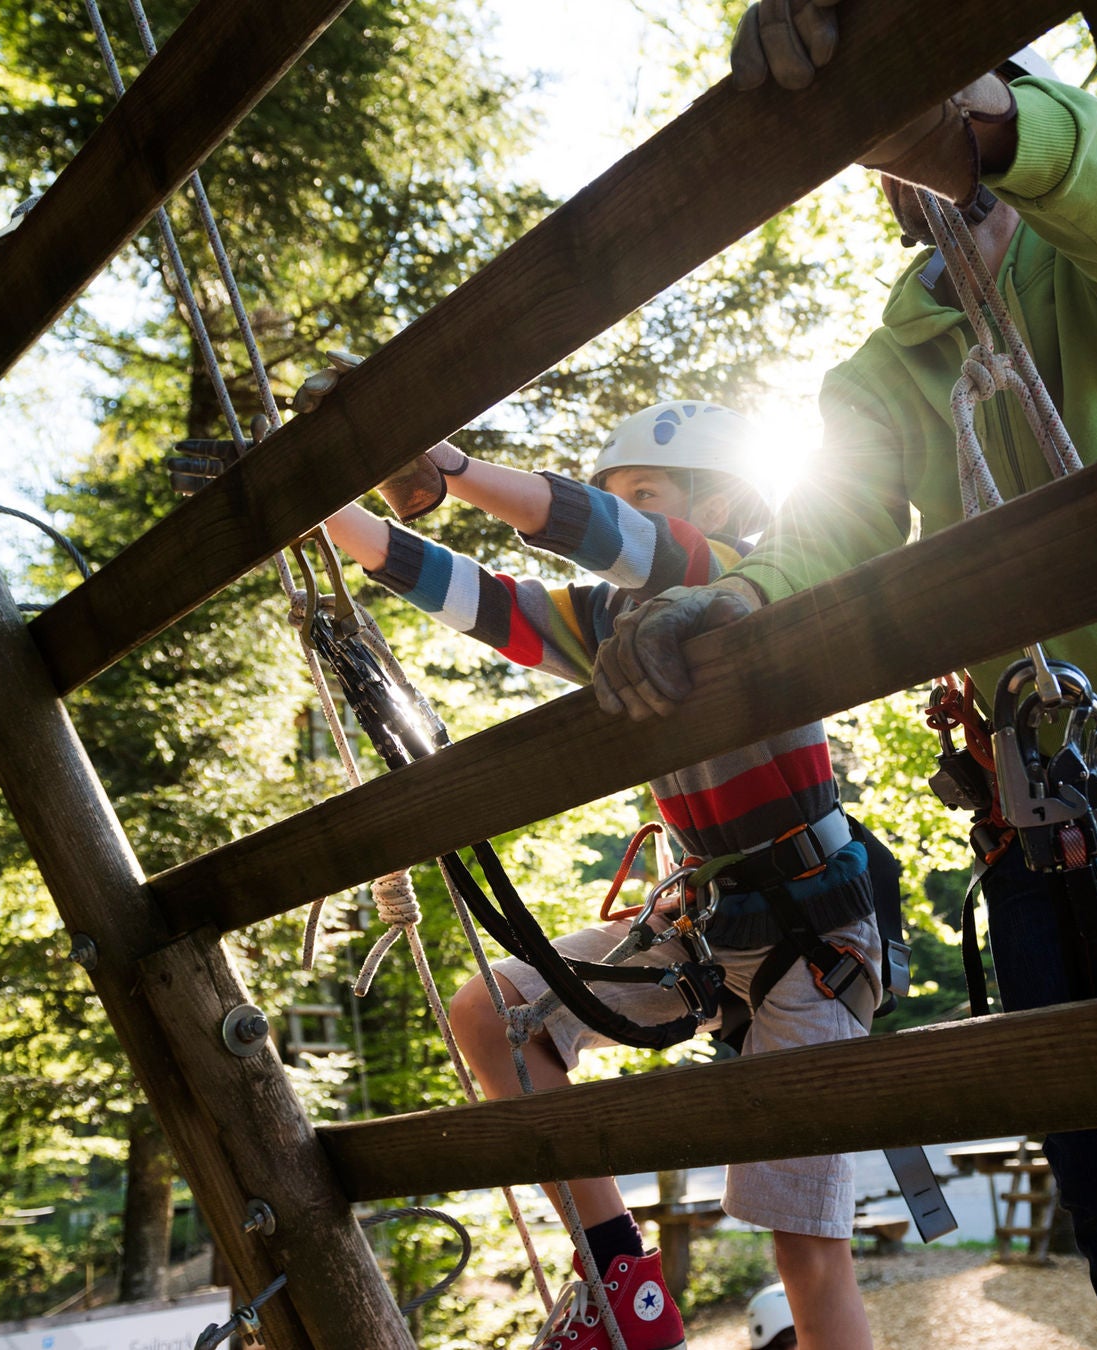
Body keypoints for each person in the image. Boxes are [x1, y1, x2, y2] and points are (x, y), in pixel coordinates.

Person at [584, 18, 1097, 1350]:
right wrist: (733, 596)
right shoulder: (901, 356)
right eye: (894, 155)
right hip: (1034, 810)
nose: (917, 173)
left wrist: (989, 120)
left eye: (942, 128)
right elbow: (833, 523)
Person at [302, 396, 882, 1350]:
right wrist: (322, 508)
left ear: (726, 504)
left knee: (803, 1245)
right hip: (701, 927)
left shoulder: (743, 578)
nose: (630, 520)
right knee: (496, 1011)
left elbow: (630, 543)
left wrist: (450, 469)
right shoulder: (615, 626)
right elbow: (488, 601)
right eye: (623, 496)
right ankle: (624, 1282)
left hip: (809, 935)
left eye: (651, 497)